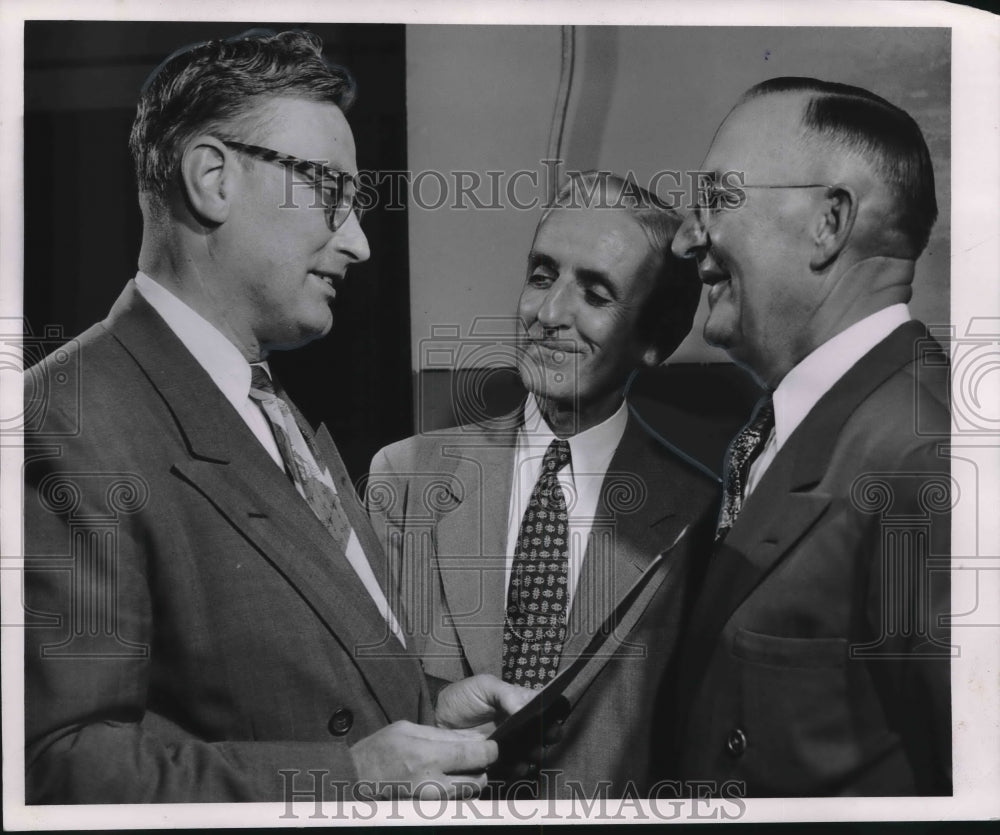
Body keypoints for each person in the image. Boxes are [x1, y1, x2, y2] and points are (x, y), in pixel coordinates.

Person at [22, 29, 532, 804]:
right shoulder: (68, 418)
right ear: (212, 178)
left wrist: (424, 707)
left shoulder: (269, 405)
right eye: (331, 193)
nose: (358, 242)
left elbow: (274, 679)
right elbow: (60, 764)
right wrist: (348, 777)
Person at [367, 172, 721, 797]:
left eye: (596, 293)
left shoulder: (702, 514)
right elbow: (366, 703)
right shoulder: (407, 479)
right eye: (541, 275)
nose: (549, 313)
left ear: (656, 341)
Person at [665, 77, 951, 796]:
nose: (685, 237)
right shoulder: (790, 429)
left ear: (829, 223)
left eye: (720, 199)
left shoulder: (926, 459)